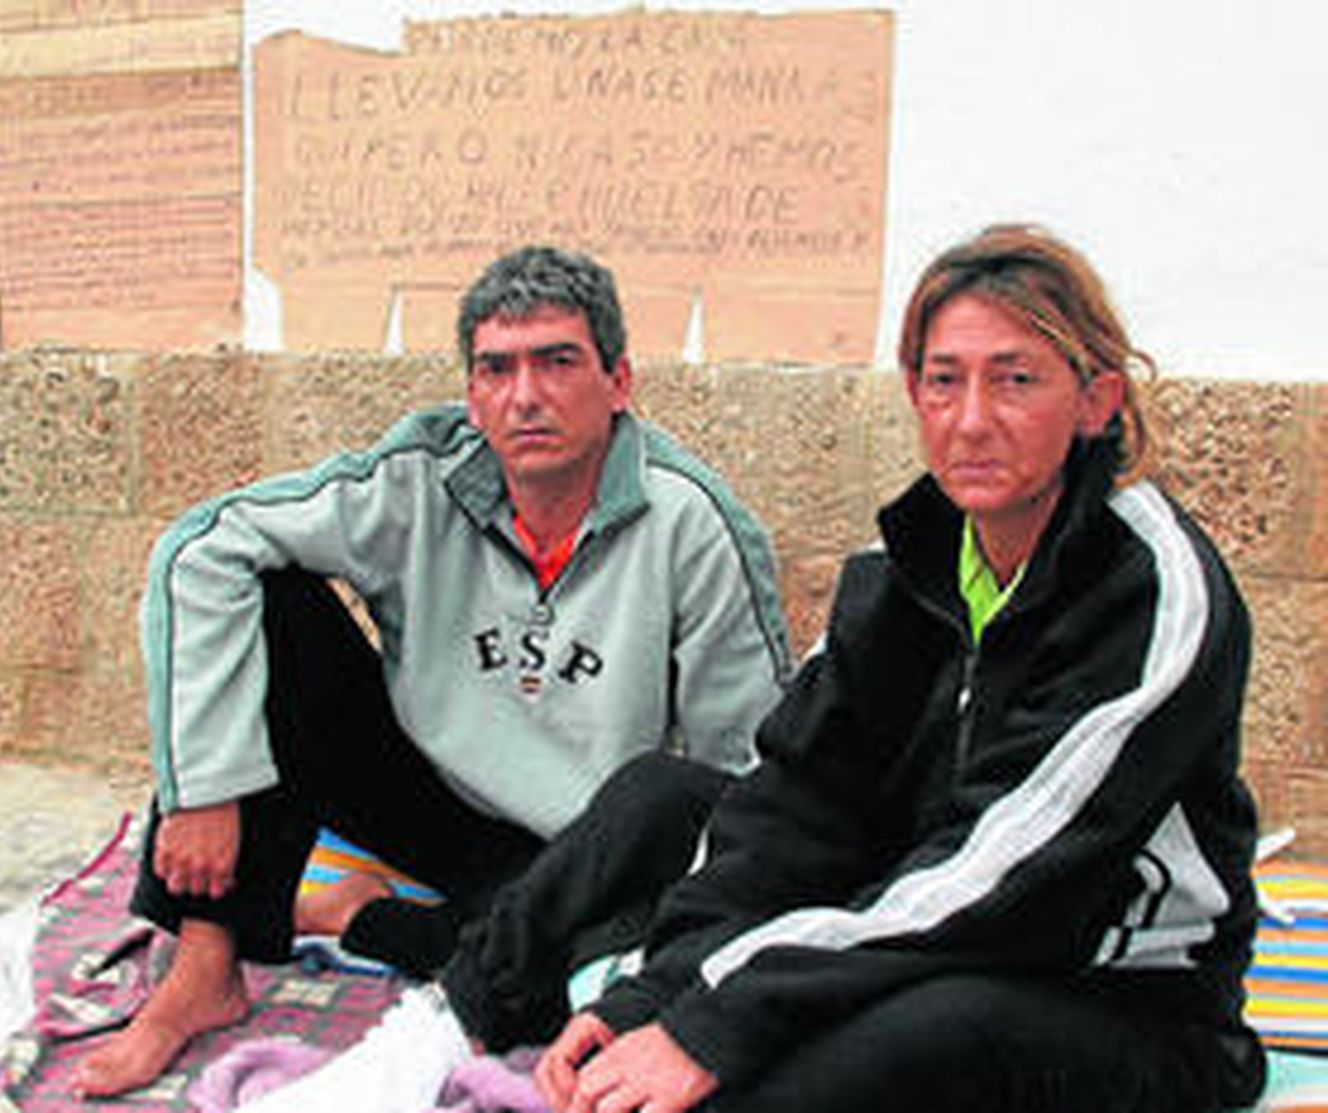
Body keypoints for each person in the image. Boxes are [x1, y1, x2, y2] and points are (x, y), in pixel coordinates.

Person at [248, 224, 1266, 1113]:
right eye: (944, 379)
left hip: (1116, 992)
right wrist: (655, 997)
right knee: (658, 798)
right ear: (912, 390)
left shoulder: (1149, 589)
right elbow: (795, 799)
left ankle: (620, 1002)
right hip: (908, 912)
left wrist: (715, 1020)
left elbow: (1001, 878)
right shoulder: (906, 570)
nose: (970, 419)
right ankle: (435, 1037)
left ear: (1093, 401)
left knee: (878, 1045)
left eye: (1016, 379)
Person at [73, 245, 794, 1097]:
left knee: (576, 1000)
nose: (526, 395)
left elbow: (741, 783)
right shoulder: (418, 478)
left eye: (558, 362)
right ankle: (204, 965)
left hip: (572, 842)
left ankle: (360, 914)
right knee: (268, 599)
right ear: (473, 397)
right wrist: (203, 787)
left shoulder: (694, 522)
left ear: (619, 381)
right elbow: (201, 549)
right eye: (497, 368)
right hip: (419, 791)